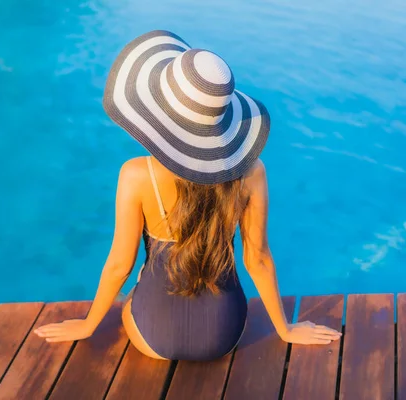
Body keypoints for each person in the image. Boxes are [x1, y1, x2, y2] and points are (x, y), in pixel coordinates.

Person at [33, 30, 341, 360]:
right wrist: (286, 329)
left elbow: (120, 264)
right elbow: (259, 260)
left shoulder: (137, 174)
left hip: (153, 339)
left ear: (160, 112)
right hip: (225, 334)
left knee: (135, 285)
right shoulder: (252, 172)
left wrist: (87, 325)